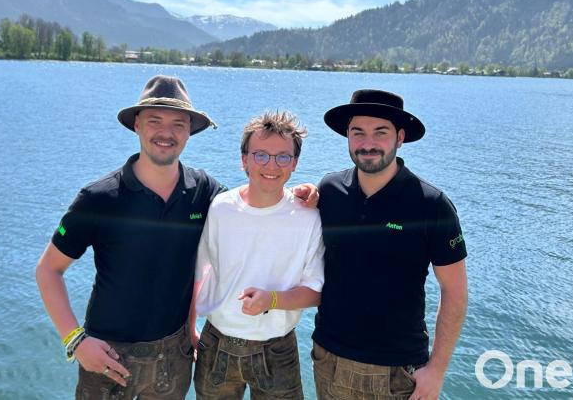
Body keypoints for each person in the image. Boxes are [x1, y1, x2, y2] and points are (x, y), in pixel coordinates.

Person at [35, 76, 317, 400]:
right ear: (137, 125)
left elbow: (255, 201)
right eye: (155, 121)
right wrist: (75, 340)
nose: (166, 133)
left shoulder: (204, 192)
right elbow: (48, 270)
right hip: (108, 354)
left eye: (178, 124)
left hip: (175, 354)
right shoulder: (99, 198)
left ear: (189, 132)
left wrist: (305, 194)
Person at [312, 89, 468, 400]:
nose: (367, 143)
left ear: (400, 137)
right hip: (329, 358)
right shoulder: (328, 191)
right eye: (358, 132)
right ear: (347, 136)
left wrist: (436, 370)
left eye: (380, 133)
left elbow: (455, 292)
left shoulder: (431, 204)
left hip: (398, 371)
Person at [193, 111, 325, 400]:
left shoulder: (309, 216)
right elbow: (201, 272)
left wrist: (272, 300)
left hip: (277, 349)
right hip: (216, 344)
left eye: (282, 157)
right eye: (261, 155)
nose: (271, 165)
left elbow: (316, 292)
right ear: (244, 160)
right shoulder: (220, 208)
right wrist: (191, 325)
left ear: (294, 164)